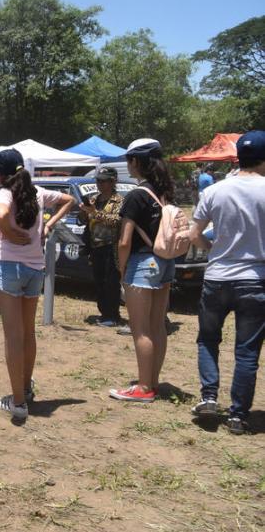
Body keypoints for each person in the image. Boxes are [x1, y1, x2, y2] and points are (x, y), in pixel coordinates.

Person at [0, 149, 75, 421]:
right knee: (28, 333)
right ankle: (25, 388)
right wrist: (47, 226)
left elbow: (1, 216)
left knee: (13, 336)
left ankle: (18, 402)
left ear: (0, 174)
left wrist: (10, 234)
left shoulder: (4, 193)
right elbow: (69, 200)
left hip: (10, 267)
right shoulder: (37, 192)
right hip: (35, 269)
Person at [189, 130, 265, 435]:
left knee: (208, 339)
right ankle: (238, 415)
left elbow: (195, 235)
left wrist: (213, 251)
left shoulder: (214, 191)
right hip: (256, 279)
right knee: (247, 352)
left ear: (238, 158)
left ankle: (208, 396)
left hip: (218, 276)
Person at [110, 139, 176, 403]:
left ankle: (144, 387)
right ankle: (153, 382)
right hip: (164, 262)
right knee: (158, 325)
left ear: (136, 162)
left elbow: (124, 241)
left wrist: (121, 267)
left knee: (141, 329)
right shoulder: (165, 193)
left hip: (141, 264)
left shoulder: (136, 196)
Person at [78, 166, 123, 327]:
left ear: (113, 181)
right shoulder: (94, 199)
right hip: (95, 246)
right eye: (98, 181)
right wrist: (84, 212)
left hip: (112, 247)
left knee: (111, 282)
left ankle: (113, 315)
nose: (100, 184)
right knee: (99, 282)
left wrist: (95, 213)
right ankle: (104, 313)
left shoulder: (118, 200)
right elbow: (83, 220)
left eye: (104, 181)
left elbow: (117, 221)